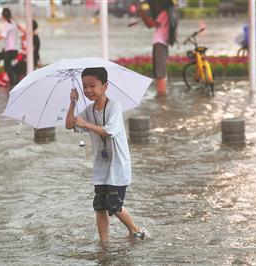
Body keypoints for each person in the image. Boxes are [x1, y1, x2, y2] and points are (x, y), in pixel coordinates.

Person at [65, 67, 145, 243]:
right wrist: (72, 102)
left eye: (92, 86)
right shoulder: (89, 110)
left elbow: (108, 131)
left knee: (114, 205)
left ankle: (135, 230)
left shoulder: (114, 106)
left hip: (118, 165)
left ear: (105, 86)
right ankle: (104, 243)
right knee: (99, 206)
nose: (88, 91)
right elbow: (70, 124)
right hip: (101, 167)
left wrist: (85, 124)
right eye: (85, 87)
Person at [139, 0, 174, 97]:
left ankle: (161, 97)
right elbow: (150, 24)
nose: (156, 6)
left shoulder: (164, 14)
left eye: (158, 4)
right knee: (159, 72)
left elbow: (151, 24)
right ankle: (161, 95)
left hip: (160, 44)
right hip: (161, 44)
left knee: (160, 73)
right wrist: (144, 17)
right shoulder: (166, 14)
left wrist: (143, 15)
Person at [0, 8, 19, 89]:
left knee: (3, 64)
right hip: (13, 49)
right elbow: (1, 33)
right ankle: (10, 81)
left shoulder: (8, 25)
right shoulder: (12, 22)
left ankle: (11, 82)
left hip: (11, 50)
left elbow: (2, 36)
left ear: (3, 16)